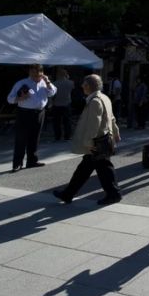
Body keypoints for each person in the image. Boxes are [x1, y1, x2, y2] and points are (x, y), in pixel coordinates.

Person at [53, 74, 122, 205]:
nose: (82, 87)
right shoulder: (104, 97)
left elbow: (93, 124)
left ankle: (114, 194)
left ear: (88, 86)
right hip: (103, 139)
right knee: (85, 169)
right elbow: (111, 118)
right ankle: (68, 194)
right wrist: (116, 132)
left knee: (103, 169)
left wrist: (89, 142)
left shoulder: (95, 101)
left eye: (84, 85)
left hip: (97, 142)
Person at [6, 64, 57, 173]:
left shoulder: (44, 83)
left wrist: (47, 82)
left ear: (42, 73)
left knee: (35, 138)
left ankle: (32, 161)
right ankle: (17, 163)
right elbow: (10, 99)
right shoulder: (22, 83)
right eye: (33, 73)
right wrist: (20, 98)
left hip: (40, 112)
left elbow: (52, 93)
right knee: (21, 139)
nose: (36, 76)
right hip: (24, 113)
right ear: (29, 72)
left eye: (38, 73)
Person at [50, 68, 74, 141]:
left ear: (58, 75)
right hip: (67, 103)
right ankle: (67, 136)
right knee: (67, 121)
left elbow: (52, 95)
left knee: (57, 122)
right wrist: (68, 78)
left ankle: (57, 136)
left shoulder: (54, 84)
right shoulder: (71, 83)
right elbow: (72, 89)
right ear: (66, 74)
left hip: (57, 104)